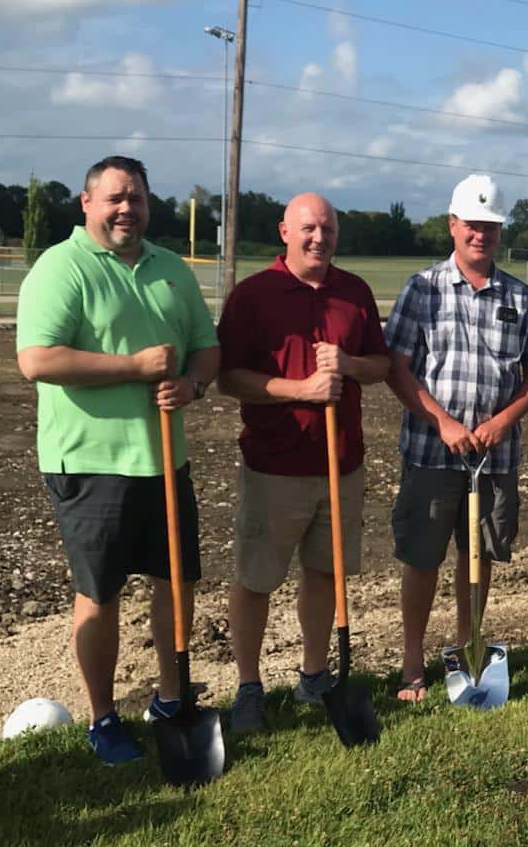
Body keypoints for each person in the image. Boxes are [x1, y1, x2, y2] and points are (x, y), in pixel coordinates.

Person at [16, 155, 220, 765]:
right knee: (99, 594)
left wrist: (192, 386)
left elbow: (206, 349)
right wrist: (134, 368)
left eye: (135, 197)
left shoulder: (172, 271)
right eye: (113, 198)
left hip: (164, 461)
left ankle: (169, 695)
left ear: (149, 204)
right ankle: (103, 717)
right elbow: (38, 360)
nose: (126, 208)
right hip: (90, 464)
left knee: (174, 582)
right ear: (87, 204)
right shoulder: (62, 268)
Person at [216, 193, 390, 734]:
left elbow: (380, 364)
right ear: (285, 232)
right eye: (309, 229)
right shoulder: (254, 295)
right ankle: (248, 686)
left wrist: (350, 364)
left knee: (324, 574)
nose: (320, 239)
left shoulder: (354, 292)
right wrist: (301, 389)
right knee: (257, 579)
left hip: (342, 464)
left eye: (329, 230)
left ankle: (315, 674)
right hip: (275, 467)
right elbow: (229, 376)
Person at [384, 174, 528, 702]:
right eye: (472, 225)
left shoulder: (519, 298)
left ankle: (466, 651)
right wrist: (442, 422)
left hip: (494, 458)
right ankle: (413, 663)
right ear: (453, 226)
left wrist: (502, 422)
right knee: (423, 558)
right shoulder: (422, 289)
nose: (481, 234)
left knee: (476, 559)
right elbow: (398, 367)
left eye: (491, 227)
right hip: (433, 453)